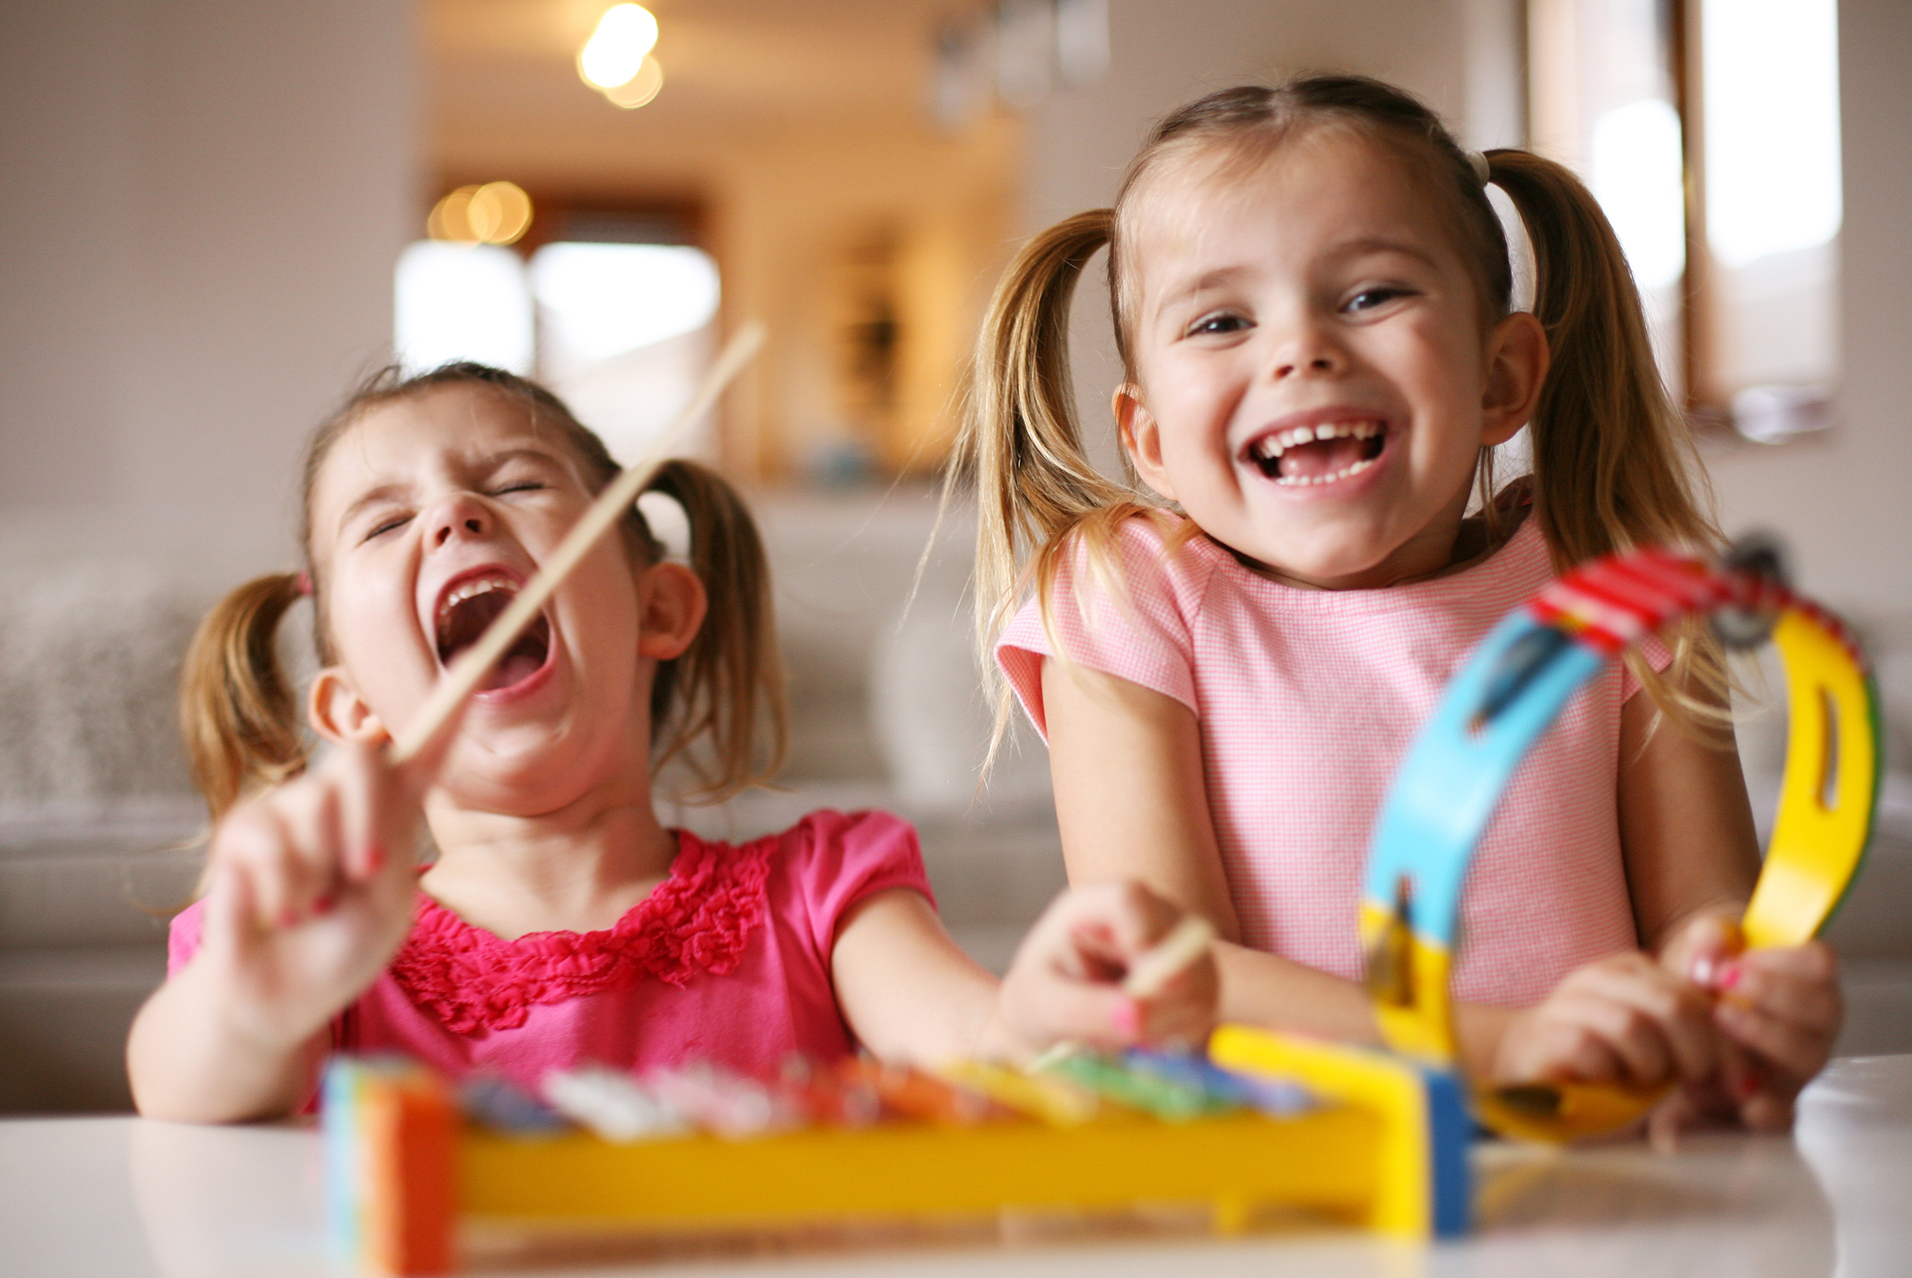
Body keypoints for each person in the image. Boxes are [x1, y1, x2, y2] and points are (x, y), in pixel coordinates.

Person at [956, 76, 1838, 1132]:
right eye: (1222, 319)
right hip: (1298, 1197)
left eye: (1371, 294)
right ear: (1149, 443)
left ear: (1500, 379)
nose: (1301, 350)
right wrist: (1504, 1049)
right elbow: (1168, 982)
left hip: (1604, 1180)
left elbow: (1707, 916)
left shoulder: (1615, 582)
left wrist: (1740, 996)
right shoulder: (1125, 596)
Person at [127, 363, 1215, 1123]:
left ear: (658, 610)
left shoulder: (823, 891)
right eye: (382, 520)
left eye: (512, 483)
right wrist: (250, 1000)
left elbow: (976, 1037)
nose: (454, 515)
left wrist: (1044, 1013)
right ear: (354, 710)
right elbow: (180, 1086)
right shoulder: (301, 944)